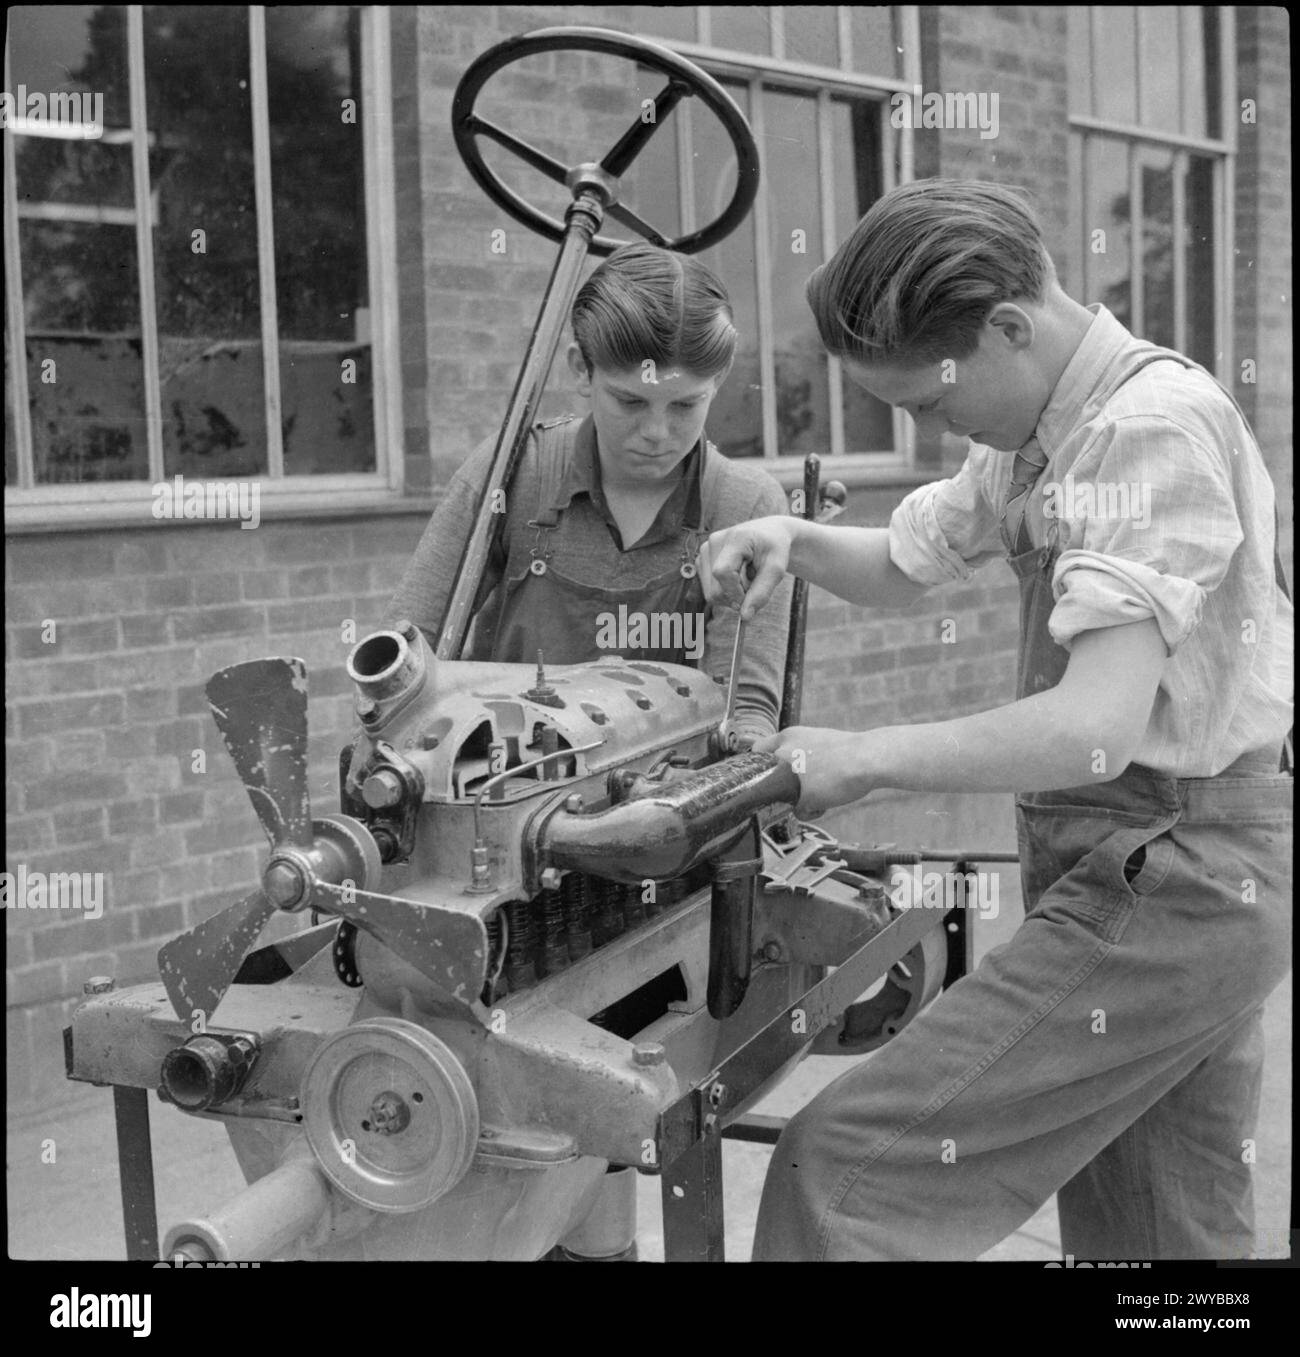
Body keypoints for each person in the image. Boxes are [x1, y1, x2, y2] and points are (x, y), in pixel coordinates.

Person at [698, 179, 1293, 1261]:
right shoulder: (1041, 427)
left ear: (1009, 327)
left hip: (1178, 870)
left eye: (927, 402)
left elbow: (1094, 731)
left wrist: (861, 760)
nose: (929, 427)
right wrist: (789, 537)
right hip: (1142, 860)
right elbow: (903, 558)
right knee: (1157, 1234)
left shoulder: (1145, 431)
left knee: (850, 1172)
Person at [387, 242, 792, 745]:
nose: (657, 433)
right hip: (506, 784)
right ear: (582, 370)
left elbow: (744, 708)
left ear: (719, 380)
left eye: (685, 405)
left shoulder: (745, 508)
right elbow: (402, 665)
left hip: (675, 794)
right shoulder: (513, 476)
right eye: (630, 401)